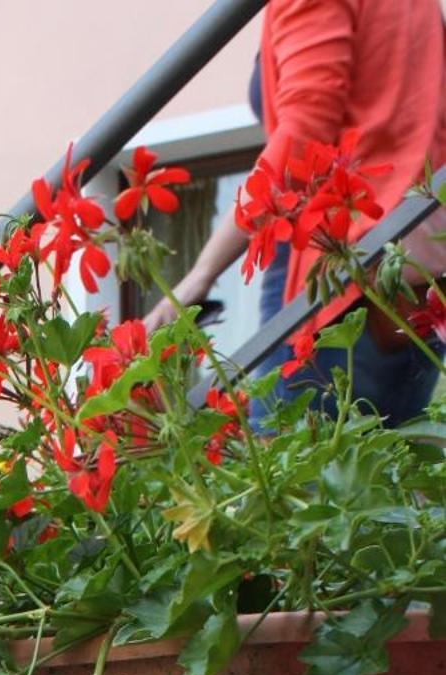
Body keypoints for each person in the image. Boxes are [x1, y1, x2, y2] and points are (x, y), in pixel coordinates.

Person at [144, 0, 446, 424]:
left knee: (288, 468)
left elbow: (304, 134)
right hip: (414, 263)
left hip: (339, 262)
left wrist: (203, 271)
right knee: (375, 480)